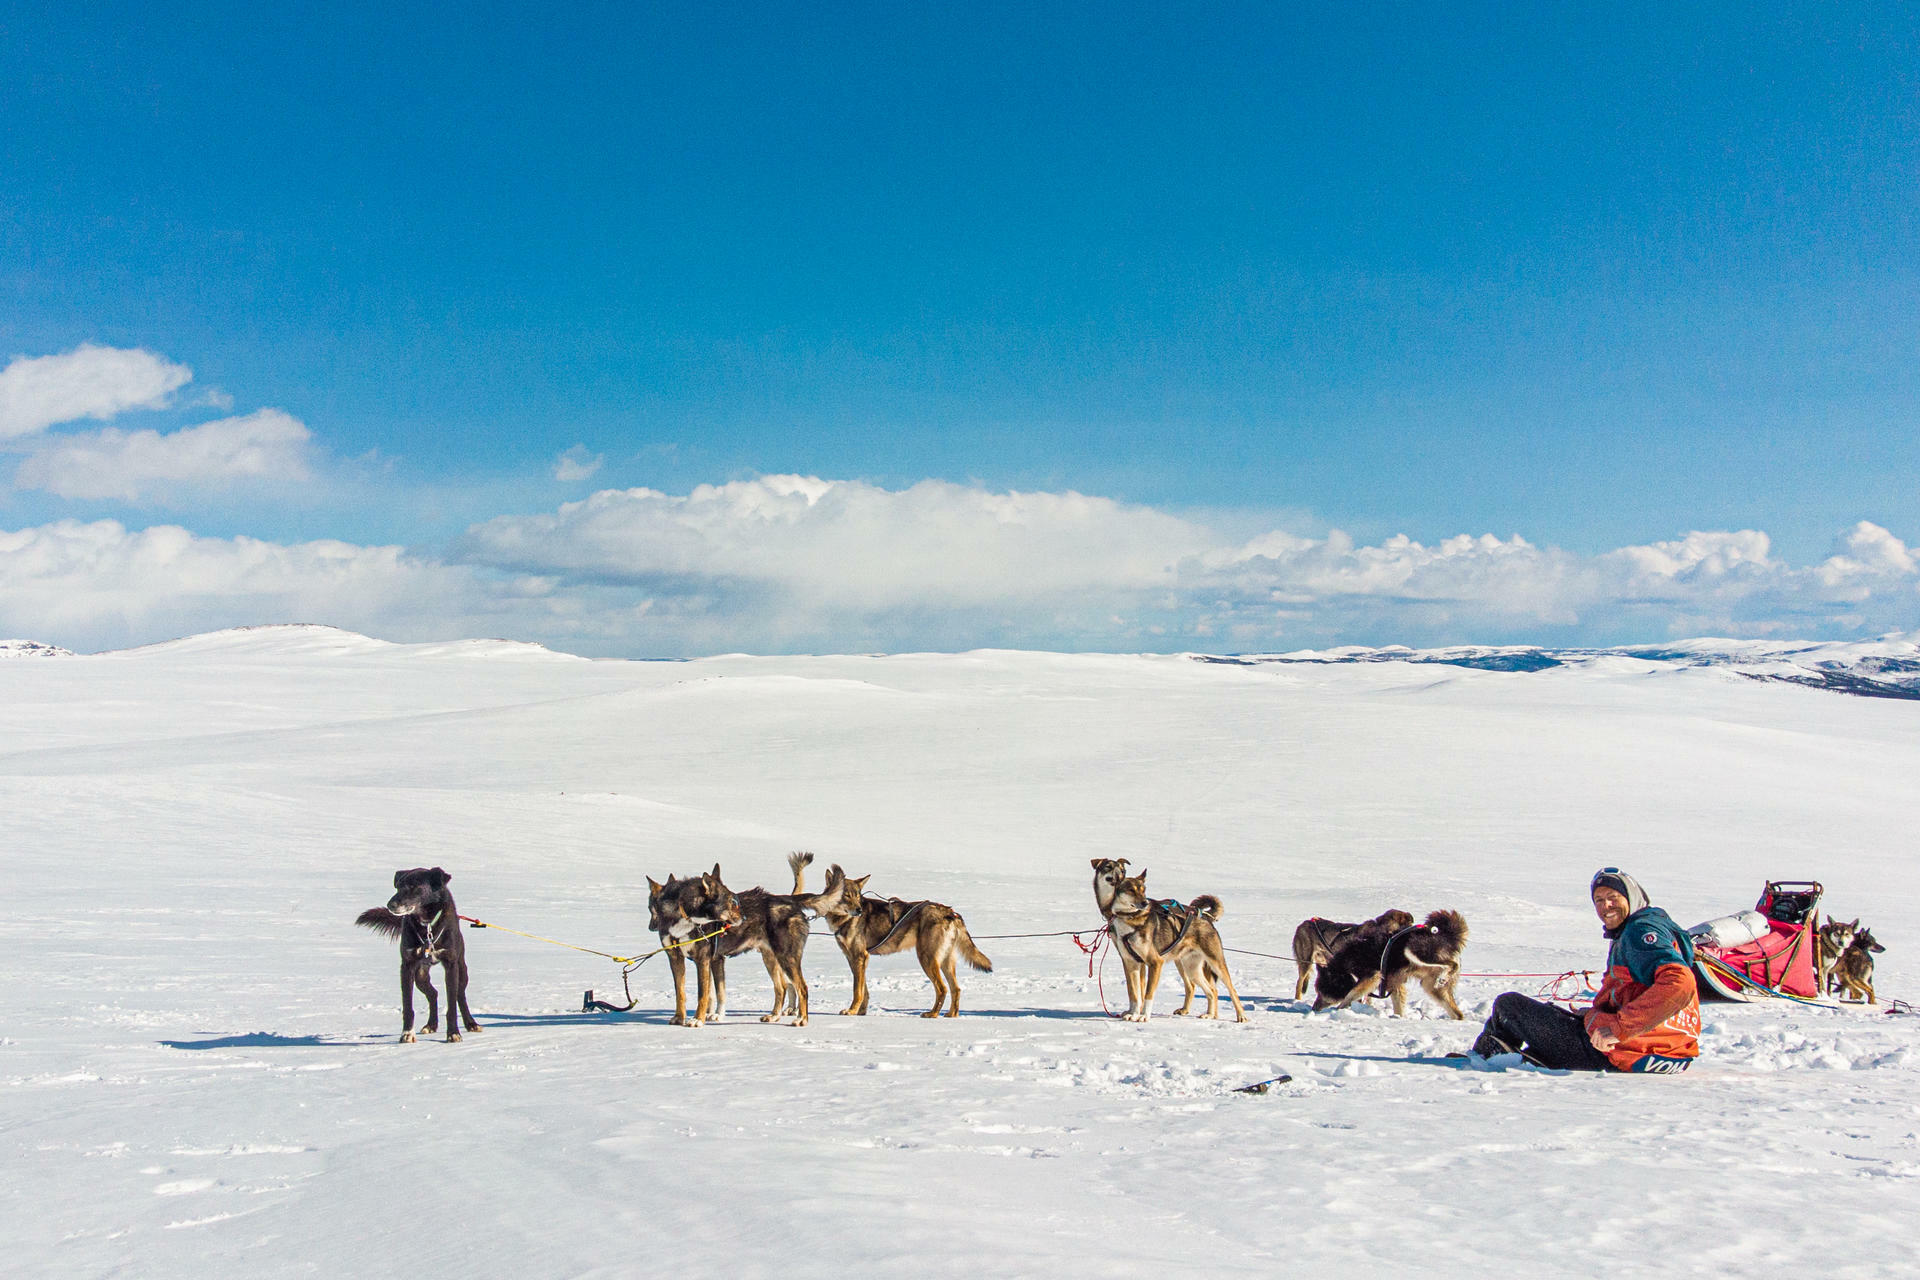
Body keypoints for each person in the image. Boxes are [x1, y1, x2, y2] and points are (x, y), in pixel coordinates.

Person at [1468, 868, 1701, 1072]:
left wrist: (1618, 1028)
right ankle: (1528, 1057)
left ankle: (1482, 1061)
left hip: (1619, 1052)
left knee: (1509, 1006)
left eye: (1612, 897)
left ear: (1632, 897)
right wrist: (1598, 1013)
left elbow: (1680, 983)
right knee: (1560, 1020)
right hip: (1669, 1052)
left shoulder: (1639, 932)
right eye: (1598, 900)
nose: (1605, 906)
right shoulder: (1661, 928)